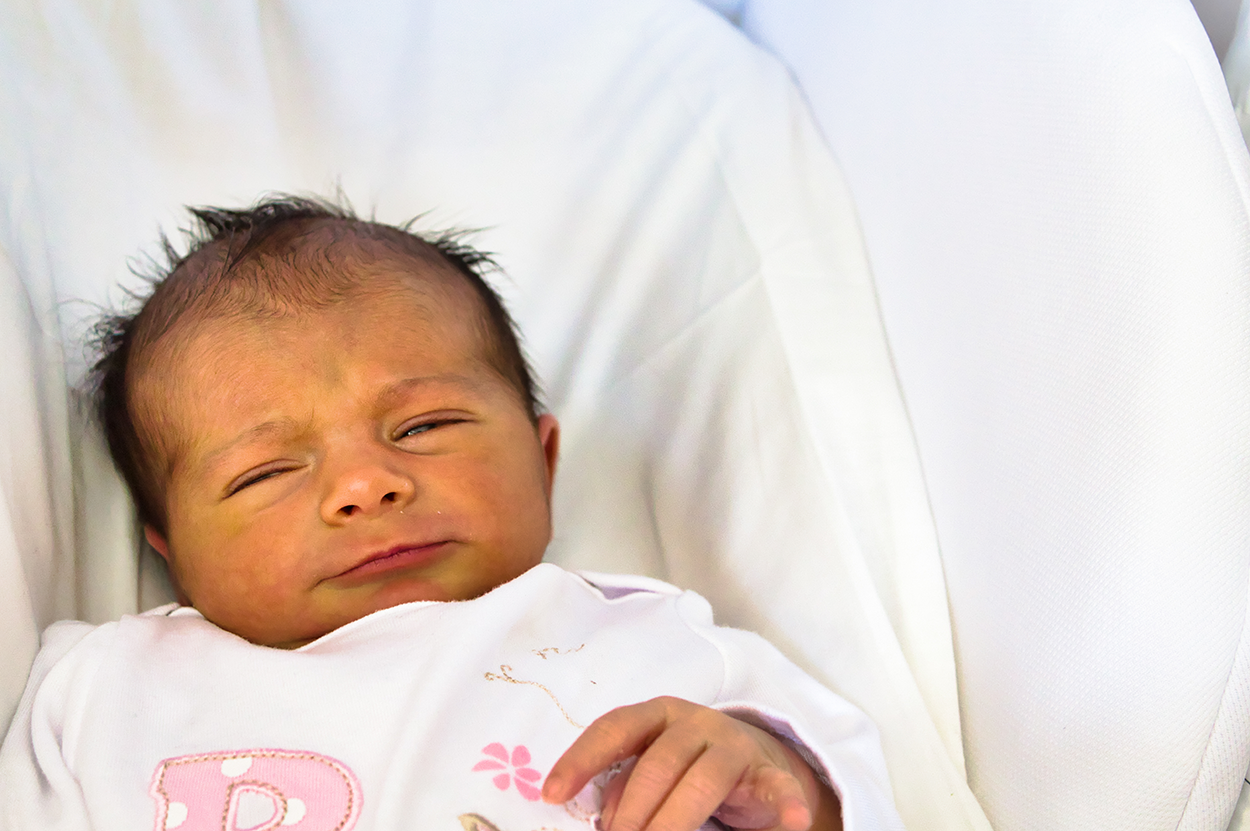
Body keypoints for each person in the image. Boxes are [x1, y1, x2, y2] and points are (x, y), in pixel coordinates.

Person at [0, 197, 902, 831]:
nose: (366, 485)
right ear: (170, 547)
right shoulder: (105, 690)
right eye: (267, 470)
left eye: (425, 424)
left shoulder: (651, 640)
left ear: (544, 461)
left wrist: (786, 786)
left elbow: (849, 797)